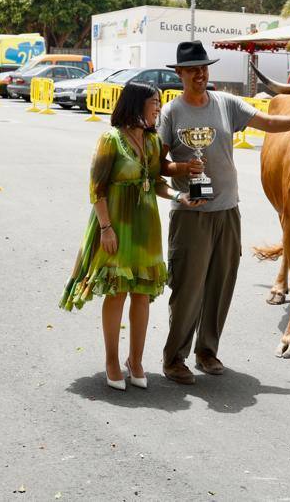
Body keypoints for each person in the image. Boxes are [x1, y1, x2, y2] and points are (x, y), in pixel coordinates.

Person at [157, 40, 290, 385]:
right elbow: (158, 164)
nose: (200, 75)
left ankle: (207, 352)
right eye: (193, 70)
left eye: (204, 68)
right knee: (187, 288)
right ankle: (174, 358)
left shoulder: (226, 104)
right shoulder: (172, 113)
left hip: (227, 211)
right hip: (191, 213)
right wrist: (183, 169)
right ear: (181, 74)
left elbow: (268, 123)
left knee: (220, 285)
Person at [60, 82, 199, 390]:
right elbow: (97, 189)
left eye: (160, 102)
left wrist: (179, 197)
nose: (158, 108)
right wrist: (106, 228)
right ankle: (111, 359)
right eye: (154, 102)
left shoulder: (151, 142)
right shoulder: (110, 140)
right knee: (117, 290)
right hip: (116, 223)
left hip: (146, 224)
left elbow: (155, 182)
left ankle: (135, 360)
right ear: (137, 104)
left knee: (142, 293)